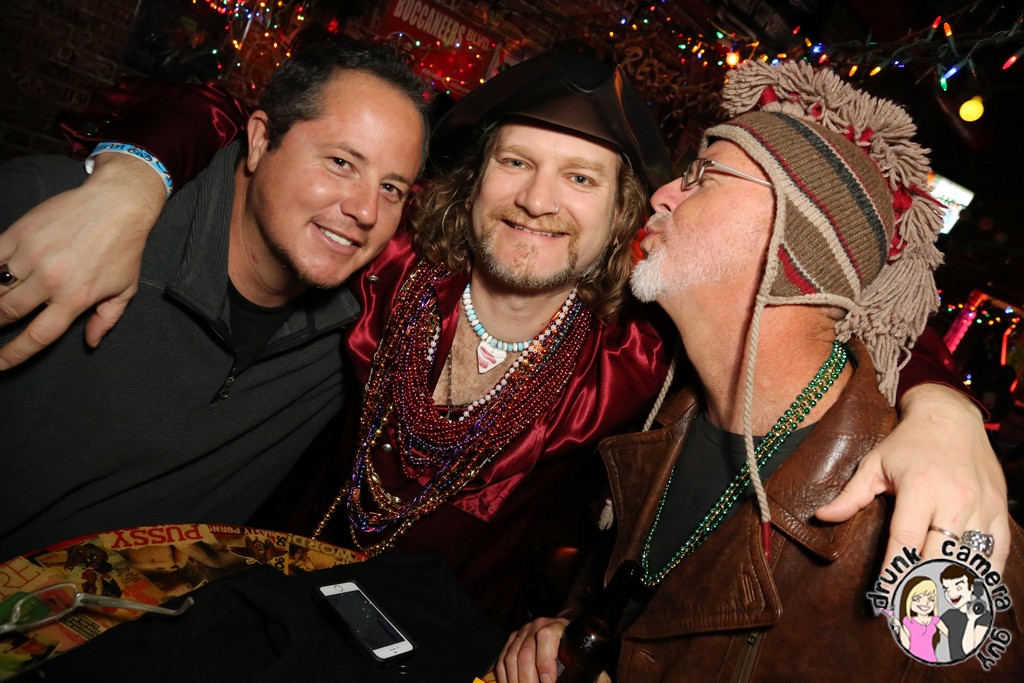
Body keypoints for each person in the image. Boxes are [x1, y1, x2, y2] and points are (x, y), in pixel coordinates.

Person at [0, 48, 1010, 629]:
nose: (537, 200)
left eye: (580, 178)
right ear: (471, 180)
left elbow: (828, 309)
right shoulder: (386, 266)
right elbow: (229, 111)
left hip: (434, 647)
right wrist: (130, 178)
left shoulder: (636, 356)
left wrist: (945, 410)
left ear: (624, 214)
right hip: (243, 596)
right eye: (515, 163)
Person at [497, 59, 1024, 681]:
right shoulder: (662, 418)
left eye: (702, 177)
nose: (663, 195)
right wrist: (566, 631)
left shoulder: (939, 530)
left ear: (792, 240)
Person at [0, 40, 429, 559]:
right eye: (341, 162)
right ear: (260, 140)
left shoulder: (363, 337)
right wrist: (133, 179)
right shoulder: (53, 215)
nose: (365, 210)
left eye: (391, 188)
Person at [939, 565, 992, 660]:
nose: (951, 593)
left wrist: (971, 620)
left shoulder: (984, 616)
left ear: (971, 587)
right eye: (946, 589)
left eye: (958, 588)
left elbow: (969, 650)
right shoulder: (949, 615)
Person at [893, 577, 946, 662]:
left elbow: (951, 635)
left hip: (931, 660)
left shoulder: (935, 620)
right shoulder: (908, 621)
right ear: (908, 600)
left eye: (931, 599)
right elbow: (906, 645)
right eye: (917, 599)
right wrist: (899, 626)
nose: (925, 603)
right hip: (912, 660)